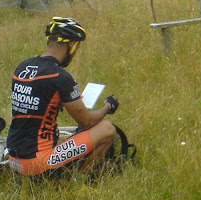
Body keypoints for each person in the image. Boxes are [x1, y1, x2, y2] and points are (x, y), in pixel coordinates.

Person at [7, 17, 119, 179]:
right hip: (39, 163)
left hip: (14, 160)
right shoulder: (61, 76)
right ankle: (79, 181)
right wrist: (108, 106)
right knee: (107, 129)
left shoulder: (23, 67)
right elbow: (86, 123)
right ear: (72, 44)